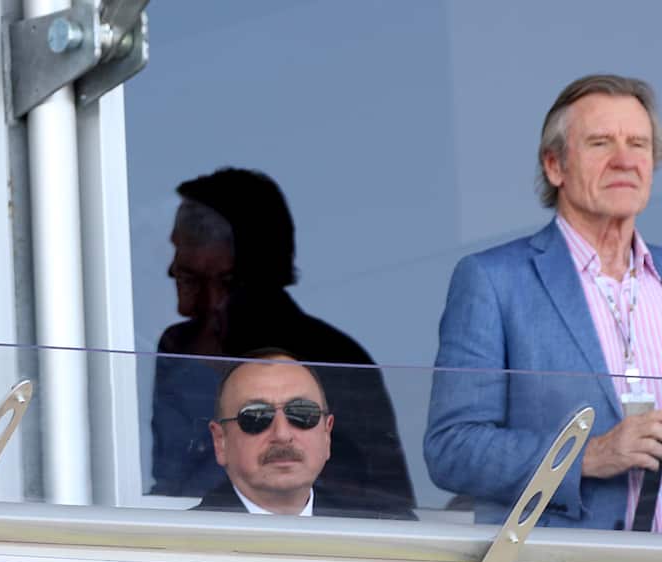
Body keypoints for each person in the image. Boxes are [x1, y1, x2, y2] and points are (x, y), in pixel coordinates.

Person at [426, 73, 662, 530]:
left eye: (639, 143)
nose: (624, 160)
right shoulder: (494, 281)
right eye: (600, 144)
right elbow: (451, 449)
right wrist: (588, 454)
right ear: (555, 166)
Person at [152, 167, 415, 517]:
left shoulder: (335, 356)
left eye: (302, 415)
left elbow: (388, 505)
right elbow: (168, 480)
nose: (172, 265)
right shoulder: (178, 346)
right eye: (254, 417)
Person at [196, 350, 415, 519]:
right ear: (220, 441)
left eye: (302, 413)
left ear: (327, 433)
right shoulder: (181, 543)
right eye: (256, 416)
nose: (282, 434)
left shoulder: (388, 533)